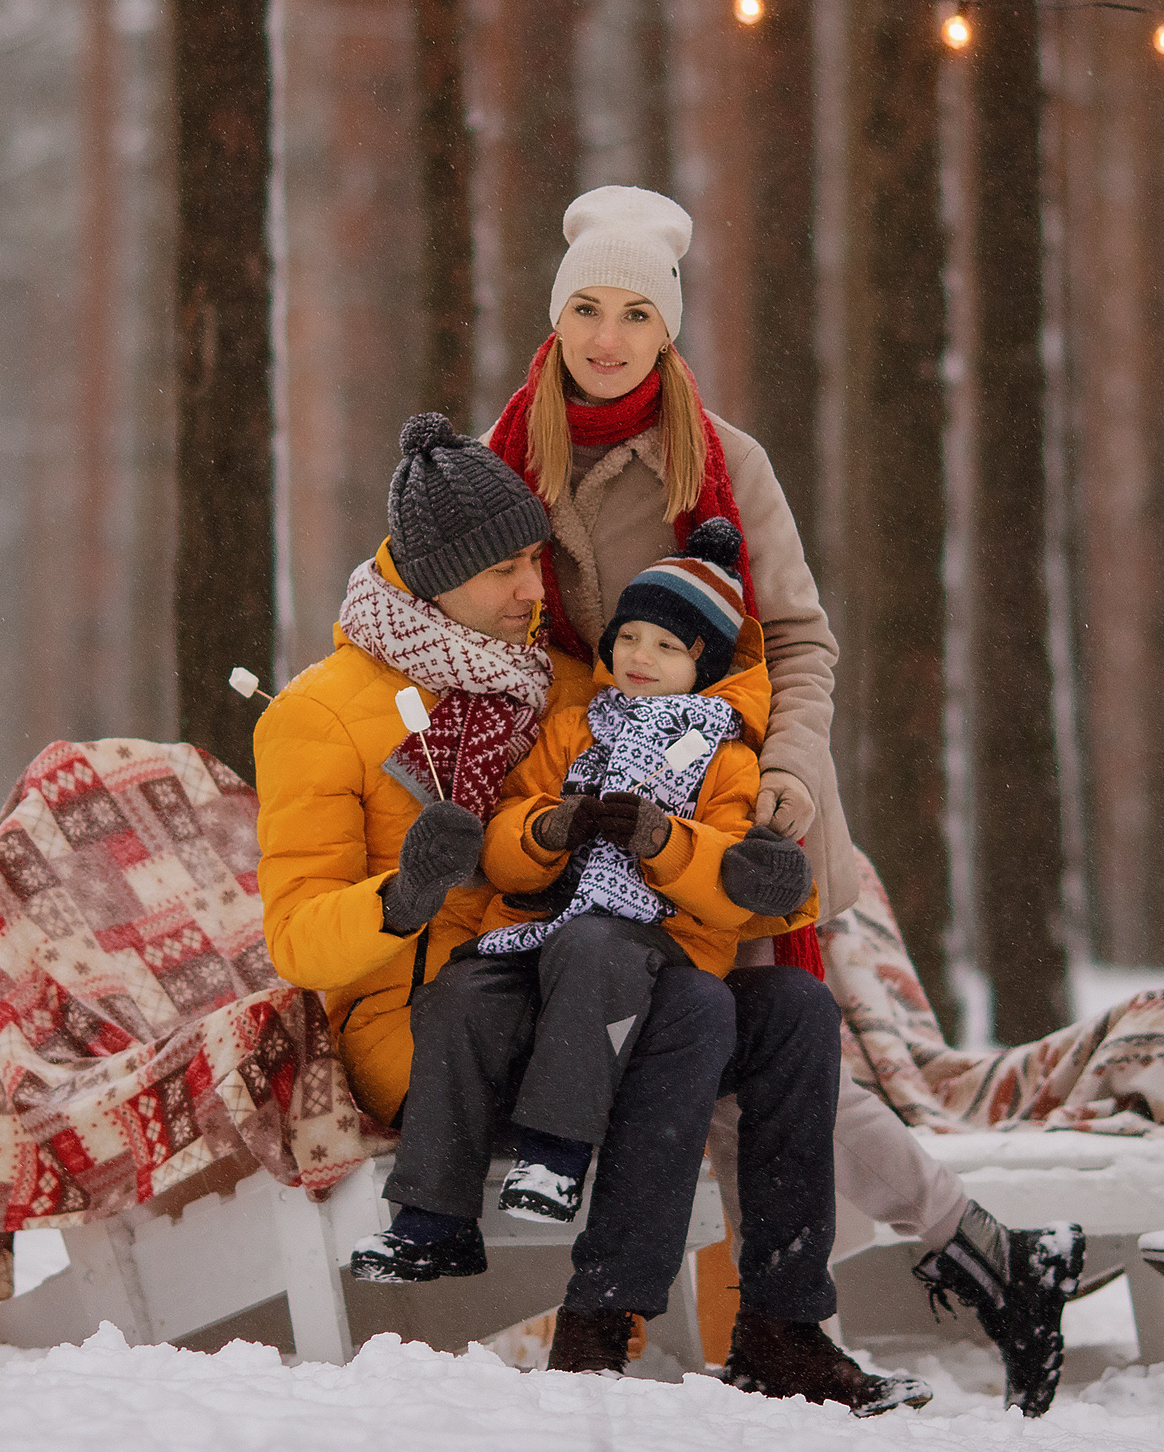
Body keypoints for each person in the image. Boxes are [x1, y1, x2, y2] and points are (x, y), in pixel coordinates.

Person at [483, 185, 1081, 1415]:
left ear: (667, 332)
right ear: (554, 318)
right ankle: (970, 1259)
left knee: (778, 1047)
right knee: (722, 1056)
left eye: (634, 314)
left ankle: (786, 1326)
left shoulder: (724, 463)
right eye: (585, 309)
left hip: (728, 804)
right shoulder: (504, 469)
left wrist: (792, 779)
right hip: (580, 811)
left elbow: (800, 640)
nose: (606, 338)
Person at [256, 415, 927, 1412]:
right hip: (449, 1022)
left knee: (790, 1013)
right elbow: (298, 936)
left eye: (536, 561)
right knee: (688, 1009)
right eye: (505, 573)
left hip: (592, 975)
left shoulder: (565, 681)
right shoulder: (319, 714)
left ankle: (783, 1327)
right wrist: (402, 896)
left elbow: (711, 688)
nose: (536, 591)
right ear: (432, 577)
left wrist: (759, 819)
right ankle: (600, 1322)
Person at [348, 518, 819, 1271]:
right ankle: (431, 1221)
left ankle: (557, 1153)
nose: (640, 656)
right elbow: (503, 843)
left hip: (653, 942)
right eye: (631, 636)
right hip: (539, 929)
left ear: (705, 663)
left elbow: (732, 888)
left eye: (668, 646)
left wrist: (665, 841)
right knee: (462, 992)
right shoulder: (574, 729)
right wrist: (548, 829)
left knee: (594, 943)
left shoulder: (728, 760)